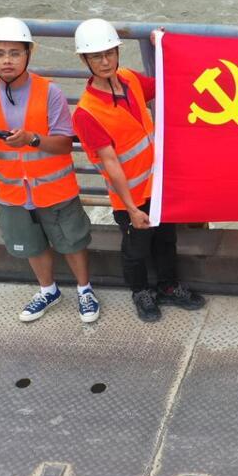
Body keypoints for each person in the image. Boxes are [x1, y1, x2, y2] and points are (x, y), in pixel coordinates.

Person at [0, 17, 100, 323]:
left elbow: (64, 144)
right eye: (0, 53)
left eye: (15, 53)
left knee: (72, 241)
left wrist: (32, 139)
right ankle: (48, 290)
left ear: (28, 54)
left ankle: (85, 290)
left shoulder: (49, 91)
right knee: (31, 244)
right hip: (13, 191)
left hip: (55, 188)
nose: (7, 60)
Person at [71, 18, 204, 322]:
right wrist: (131, 209)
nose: (105, 62)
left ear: (118, 52)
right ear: (84, 60)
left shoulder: (129, 79)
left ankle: (168, 286)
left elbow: (165, 85)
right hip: (130, 197)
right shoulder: (87, 113)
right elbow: (111, 163)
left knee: (166, 240)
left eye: (109, 53)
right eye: (96, 56)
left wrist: (165, 49)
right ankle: (140, 292)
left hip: (157, 186)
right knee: (136, 249)